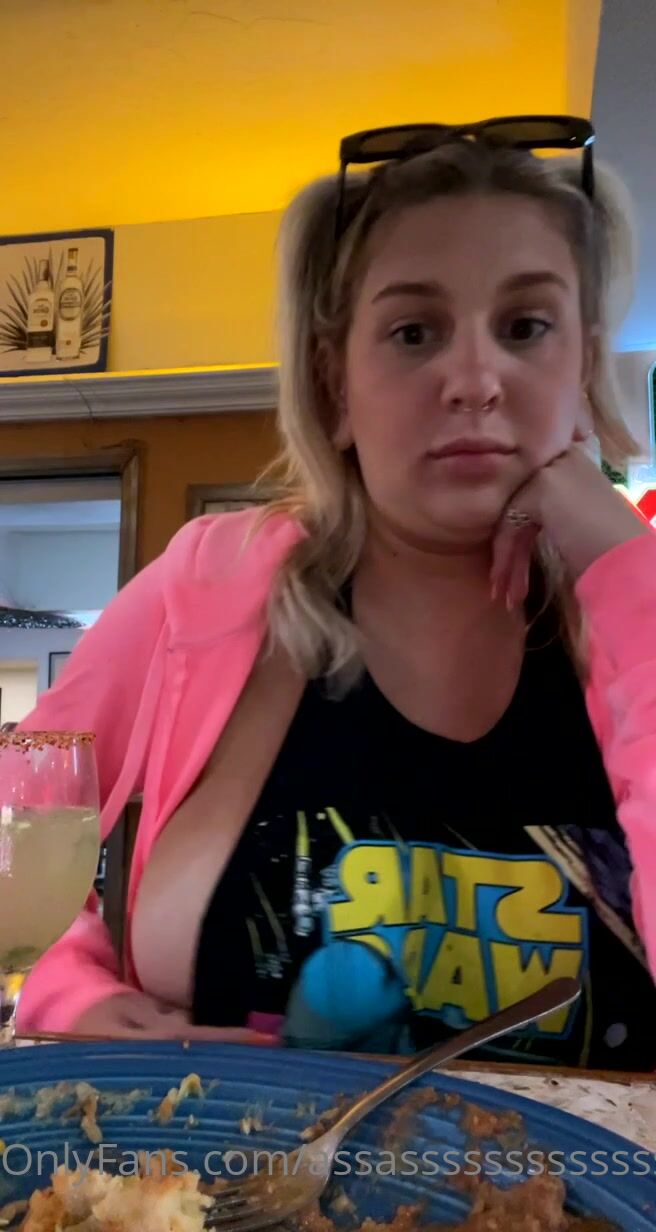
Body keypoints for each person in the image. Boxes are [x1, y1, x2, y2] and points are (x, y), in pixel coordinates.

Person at [15, 116, 656, 1069]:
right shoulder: (208, 586)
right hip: (221, 1160)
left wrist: (626, 568)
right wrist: (67, 987)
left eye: (526, 327)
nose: (476, 380)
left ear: (585, 361)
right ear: (336, 384)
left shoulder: (636, 612)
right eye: (413, 332)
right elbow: (15, 813)